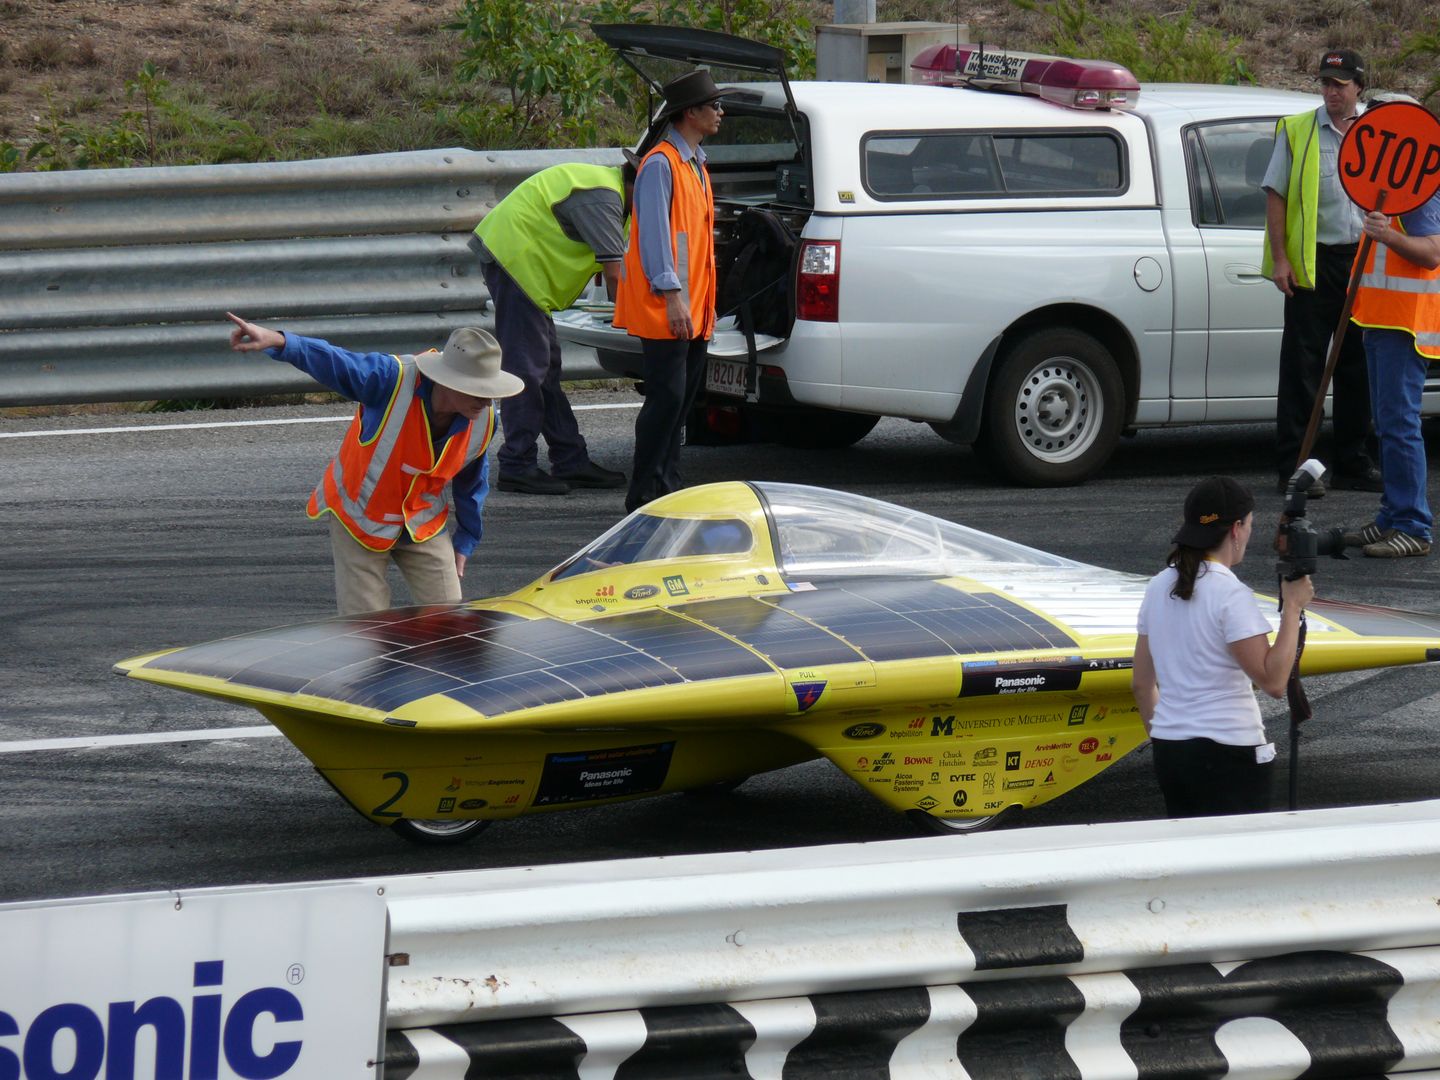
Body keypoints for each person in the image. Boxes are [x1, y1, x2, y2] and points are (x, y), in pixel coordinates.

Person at [226, 313, 522, 615]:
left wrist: (466, 539)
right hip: (360, 518)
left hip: (421, 522)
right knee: (365, 627)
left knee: (449, 622)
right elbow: (336, 362)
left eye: (490, 392)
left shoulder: (485, 419)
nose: (487, 401)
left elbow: (472, 480)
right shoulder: (390, 379)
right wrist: (280, 341)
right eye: (478, 390)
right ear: (448, 382)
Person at [1131, 476, 1314, 817]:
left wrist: (1166, 740)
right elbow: (1273, 681)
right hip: (1232, 752)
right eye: (1250, 524)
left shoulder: (1157, 587)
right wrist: (1292, 608)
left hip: (1171, 751)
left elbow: (1142, 684)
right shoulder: (1230, 594)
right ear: (1236, 530)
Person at [470, 161, 635, 496]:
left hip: (528, 269)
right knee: (527, 369)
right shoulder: (603, 197)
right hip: (516, 259)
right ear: (642, 185)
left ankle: (570, 460)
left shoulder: (621, 201)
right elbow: (615, 276)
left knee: (545, 368)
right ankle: (517, 465)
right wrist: (637, 323)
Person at [614, 69, 737, 514]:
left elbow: (697, 245)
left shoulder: (696, 164)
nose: (720, 112)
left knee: (681, 403)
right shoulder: (660, 164)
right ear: (690, 113)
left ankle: (667, 485)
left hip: (693, 307)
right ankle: (644, 492)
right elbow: (654, 239)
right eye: (713, 106)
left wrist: (705, 303)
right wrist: (671, 295)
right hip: (668, 306)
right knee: (665, 402)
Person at [1260, 48, 1382, 497]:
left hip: (1365, 262)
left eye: (1340, 85)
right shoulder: (1298, 131)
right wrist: (1281, 259)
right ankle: (1295, 468)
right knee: (1302, 369)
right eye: (1326, 84)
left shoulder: (1378, 131)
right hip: (1314, 262)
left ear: (1359, 87)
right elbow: (1275, 194)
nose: (1331, 92)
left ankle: (1352, 462)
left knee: (1358, 367)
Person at [1341, 187, 1440, 558]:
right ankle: (1394, 516)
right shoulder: (1395, 190)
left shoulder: (1418, 194)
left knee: (1399, 424)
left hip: (1404, 325)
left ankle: (1412, 526)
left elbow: (1432, 253)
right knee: (1388, 424)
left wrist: (1387, 234)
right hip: (1383, 319)